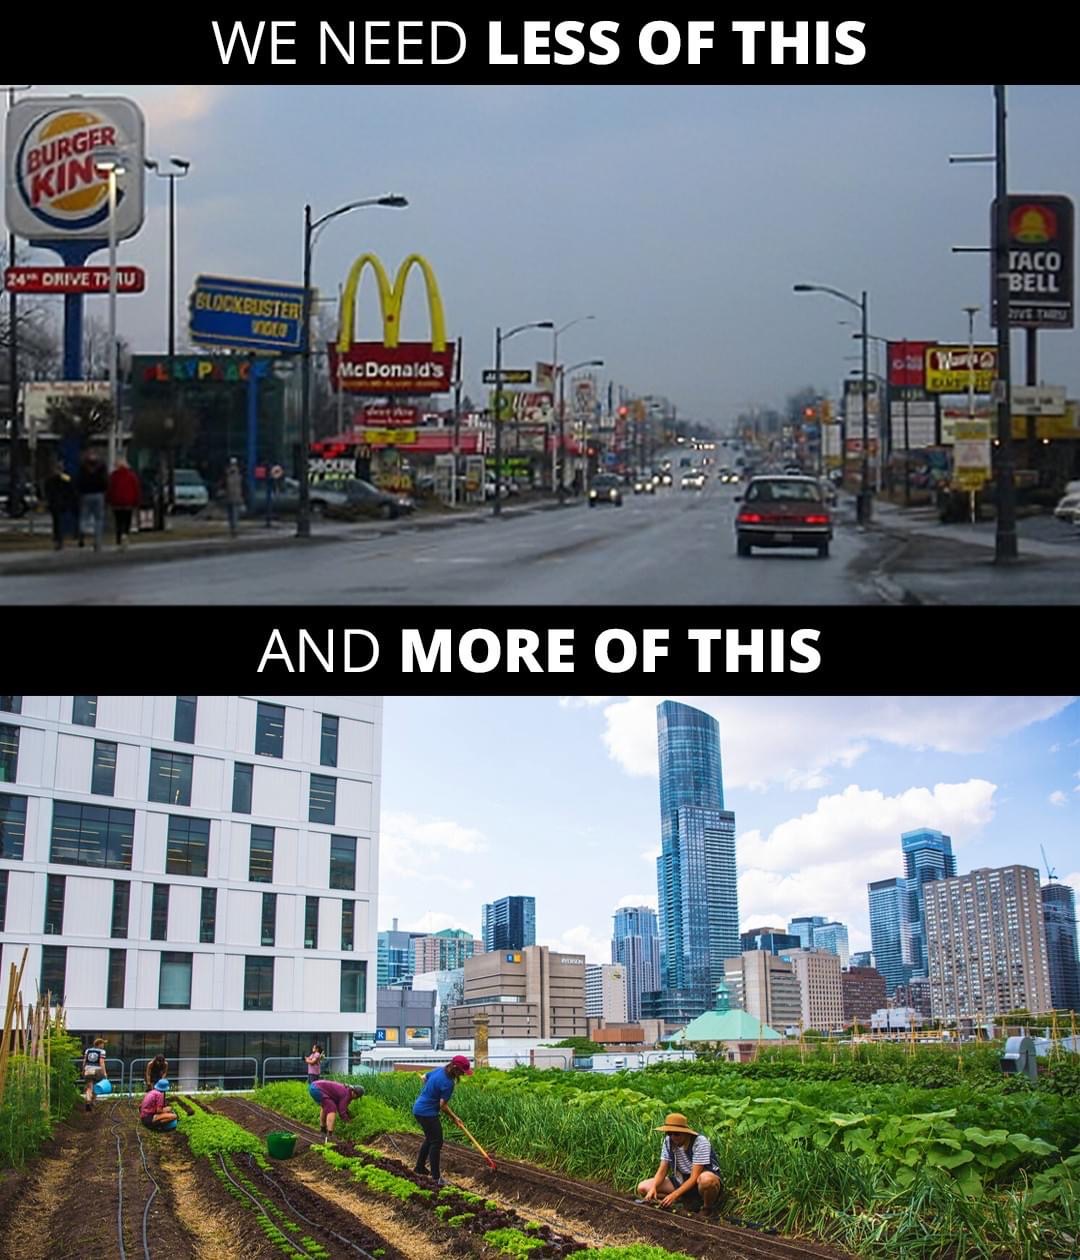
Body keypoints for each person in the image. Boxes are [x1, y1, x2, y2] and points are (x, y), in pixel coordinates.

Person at [637, 1113, 722, 1215]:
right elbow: (662, 1169)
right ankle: (683, 1201)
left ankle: (707, 1208)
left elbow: (694, 1177)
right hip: (681, 1179)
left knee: (707, 1181)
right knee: (643, 1187)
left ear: (685, 1133)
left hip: (699, 1180)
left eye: (676, 1134)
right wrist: (653, 1188)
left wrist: (674, 1195)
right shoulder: (668, 1142)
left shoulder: (700, 1142)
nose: (673, 1137)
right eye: (669, 1133)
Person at [411, 1055, 472, 1186]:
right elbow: (442, 1106)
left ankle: (419, 1168)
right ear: (455, 1068)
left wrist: (430, 1086)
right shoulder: (448, 1083)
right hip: (427, 1113)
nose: (463, 1074)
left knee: (430, 1139)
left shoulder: (439, 1070)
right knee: (436, 1142)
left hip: (418, 1109)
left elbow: (425, 1078)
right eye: (462, 1071)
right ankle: (436, 1178)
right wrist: (455, 1118)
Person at [76, 448, 108, 551]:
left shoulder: (83, 467)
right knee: (98, 519)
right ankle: (97, 542)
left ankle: (82, 530)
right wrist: (104, 489)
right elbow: (105, 481)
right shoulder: (101, 467)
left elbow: (79, 481)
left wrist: (80, 491)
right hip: (98, 494)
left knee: (84, 516)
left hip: (86, 494)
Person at [43, 460, 79, 551]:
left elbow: (70, 484)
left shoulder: (54, 478)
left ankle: (58, 539)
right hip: (60, 502)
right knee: (58, 522)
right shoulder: (59, 478)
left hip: (57, 502)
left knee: (57, 522)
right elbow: (71, 486)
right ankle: (59, 539)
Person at [107, 456, 142, 548]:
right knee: (127, 520)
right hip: (128, 502)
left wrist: (109, 500)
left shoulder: (113, 476)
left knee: (118, 521)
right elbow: (136, 489)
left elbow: (109, 489)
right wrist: (136, 501)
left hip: (116, 502)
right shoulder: (131, 475)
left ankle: (118, 539)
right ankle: (125, 535)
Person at [80, 1037, 108, 1112]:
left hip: (88, 1070)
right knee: (96, 1086)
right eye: (103, 1044)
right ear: (99, 1044)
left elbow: (84, 1061)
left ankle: (88, 1101)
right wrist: (104, 1073)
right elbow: (102, 1062)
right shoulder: (102, 1052)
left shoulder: (88, 1050)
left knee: (89, 1087)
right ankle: (93, 1101)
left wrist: (83, 1069)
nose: (103, 1045)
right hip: (97, 1071)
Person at [224, 457, 244, 537]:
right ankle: (234, 530)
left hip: (232, 497)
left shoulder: (229, 474)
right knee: (233, 515)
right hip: (234, 497)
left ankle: (233, 530)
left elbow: (228, 485)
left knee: (232, 515)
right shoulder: (238, 474)